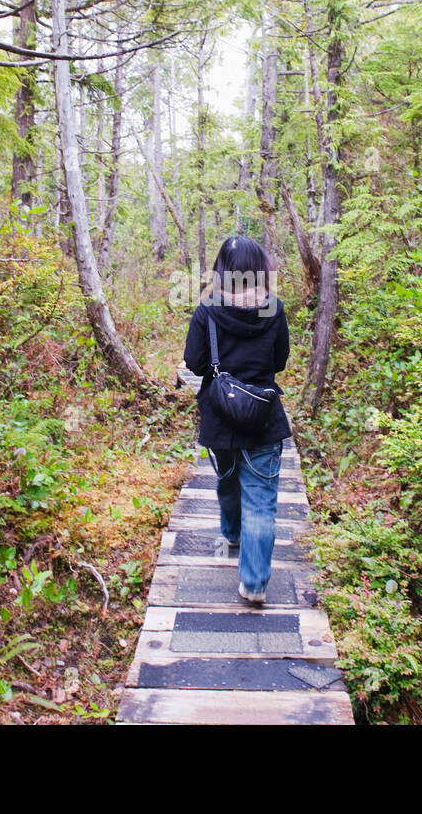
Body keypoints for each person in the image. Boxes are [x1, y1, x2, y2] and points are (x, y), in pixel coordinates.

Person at [183, 235, 291, 605]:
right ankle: (255, 583)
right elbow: (279, 362)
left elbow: (195, 363)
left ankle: (231, 533)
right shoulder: (271, 308)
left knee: (228, 479)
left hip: (219, 417)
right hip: (262, 414)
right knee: (261, 498)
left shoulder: (207, 309)